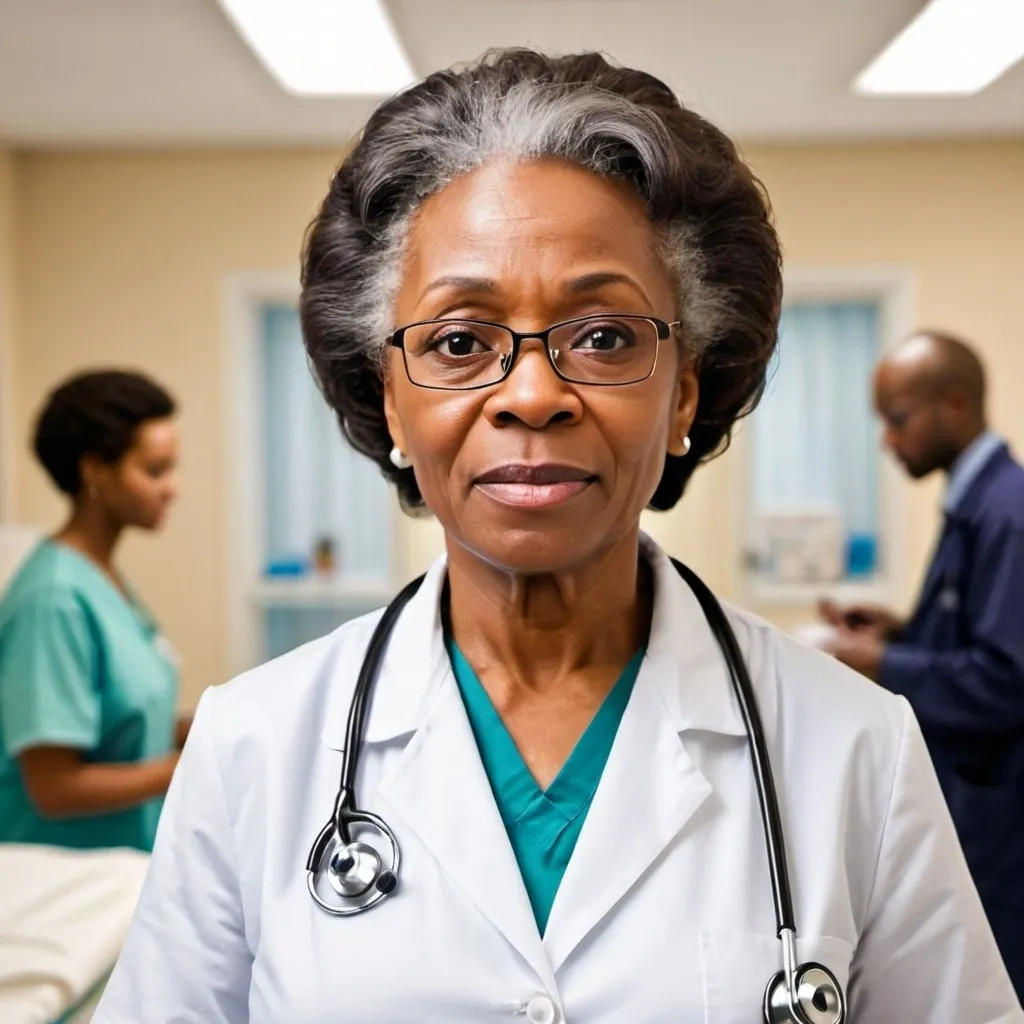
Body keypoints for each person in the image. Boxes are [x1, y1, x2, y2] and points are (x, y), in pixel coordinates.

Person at [95, 51, 1019, 1023]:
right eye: (459, 341)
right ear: (391, 401)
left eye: (605, 336)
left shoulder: (853, 747)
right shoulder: (254, 745)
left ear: (683, 396)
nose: (532, 393)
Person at [822, 330, 1024, 999]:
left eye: (898, 419)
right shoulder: (975, 501)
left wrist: (878, 661)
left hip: (998, 821)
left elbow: (1005, 683)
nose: (888, 439)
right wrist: (902, 631)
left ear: (956, 404)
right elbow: (976, 630)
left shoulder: (1008, 514)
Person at [0, 370, 185, 852]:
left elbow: (115, 725)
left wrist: (225, 720)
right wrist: (193, 762)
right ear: (94, 471)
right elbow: (55, 788)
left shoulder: (101, 576)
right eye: (154, 470)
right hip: (62, 890)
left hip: (121, 866)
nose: (172, 489)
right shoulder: (54, 597)